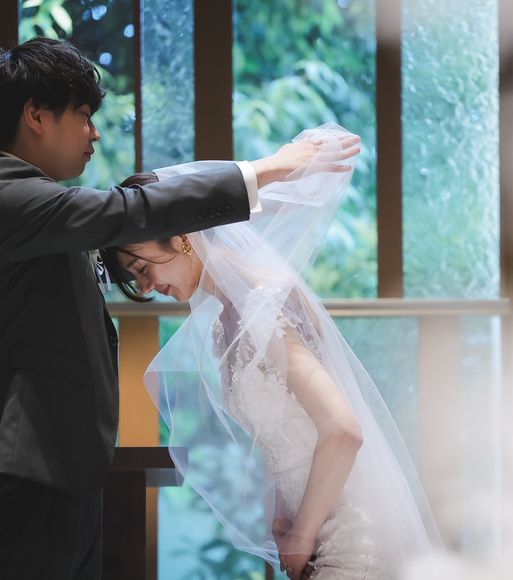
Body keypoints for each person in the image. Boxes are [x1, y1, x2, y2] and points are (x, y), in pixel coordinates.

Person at [0, 37, 359, 580]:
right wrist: (267, 169)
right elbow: (127, 211)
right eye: (84, 116)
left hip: (58, 470)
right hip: (29, 470)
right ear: (36, 115)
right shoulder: (12, 195)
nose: (95, 133)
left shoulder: (42, 207)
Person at [100, 123, 442, 580]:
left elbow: (342, 430)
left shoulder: (261, 305)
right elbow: (288, 433)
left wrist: (303, 533)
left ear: (181, 237)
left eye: (142, 268)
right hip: (314, 521)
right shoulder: (226, 319)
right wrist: (286, 513)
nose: (145, 286)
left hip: (351, 528)